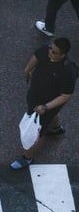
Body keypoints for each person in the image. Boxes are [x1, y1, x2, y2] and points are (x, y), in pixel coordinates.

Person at [12, 37, 79, 169]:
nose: (49, 52)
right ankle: (55, 128)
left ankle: (27, 157)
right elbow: (36, 56)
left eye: (54, 52)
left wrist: (46, 107)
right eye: (50, 48)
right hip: (35, 96)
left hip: (47, 104)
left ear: (63, 54)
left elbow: (65, 96)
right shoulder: (46, 50)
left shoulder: (68, 72)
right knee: (52, 116)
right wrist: (27, 69)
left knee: (36, 131)